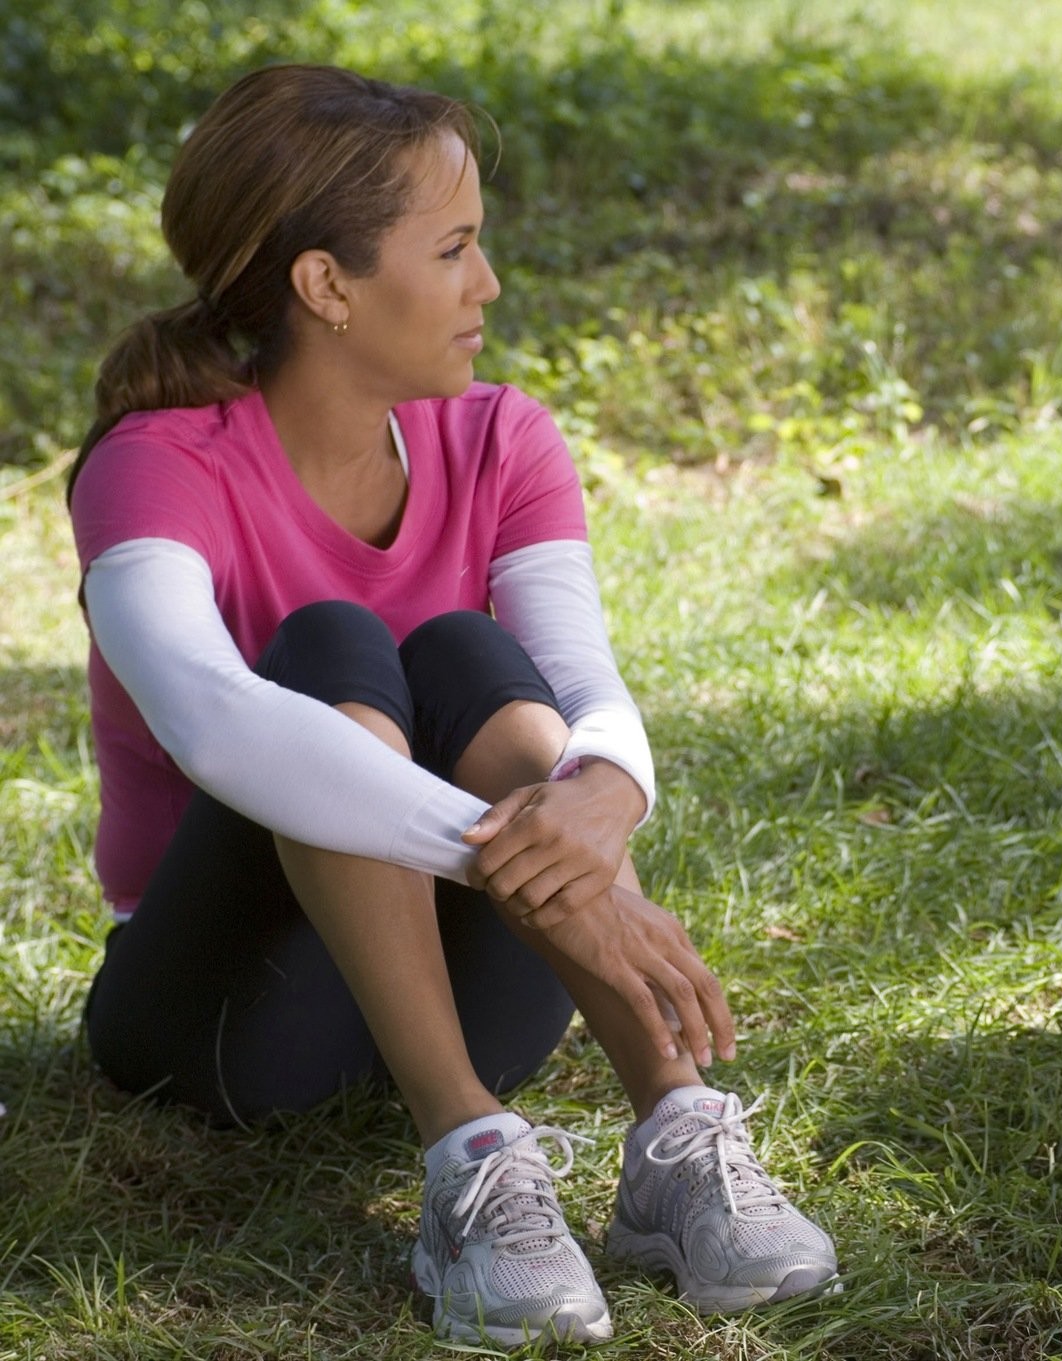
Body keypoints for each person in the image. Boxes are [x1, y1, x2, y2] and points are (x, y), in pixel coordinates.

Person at [67, 64, 838, 1345]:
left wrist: (604, 799)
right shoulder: (153, 466)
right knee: (322, 649)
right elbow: (212, 715)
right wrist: (555, 874)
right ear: (327, 284)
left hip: (489, 984)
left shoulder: (501, 438)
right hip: (226, 1019)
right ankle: (466, 1157)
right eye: (455, 248)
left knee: (468, 649)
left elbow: (585, 684)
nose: (487, 284)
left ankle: (674, 1130)